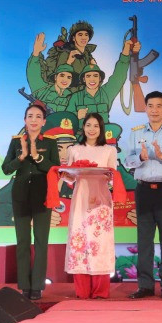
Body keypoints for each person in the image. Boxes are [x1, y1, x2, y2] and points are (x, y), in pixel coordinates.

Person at [125, 91, 162, 299]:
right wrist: (141, 158)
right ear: (146, 108)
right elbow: (128, 161)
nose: (154, 110)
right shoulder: (136, 133)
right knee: (144, 240)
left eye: (159, 106)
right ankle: (145, 285)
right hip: (144, 190)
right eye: (150, 106)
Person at [2, 104, 60, 300]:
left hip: (43, 195)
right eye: (30, 116)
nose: (33, 120)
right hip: (20, 194)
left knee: (41, 241)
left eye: (38, 116)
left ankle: (37, 286)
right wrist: (21, 157)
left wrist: (37, 156)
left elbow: (55, 169)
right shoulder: (16, 142)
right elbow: (6, 168)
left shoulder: (50, 143)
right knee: (23, 241)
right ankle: (24, 286)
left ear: (44, 121)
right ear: (25, 120)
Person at [63, 113, 118, 299]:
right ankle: (82, 290)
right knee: (80, 239)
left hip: (101, 199)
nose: (92, 129)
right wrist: (65, 175)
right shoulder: (74, 149)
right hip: (80, 198)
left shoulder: (109, 150)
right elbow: (71, 178)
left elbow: (113, 176)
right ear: (83, 128)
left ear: (101, 129)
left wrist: (108, 176)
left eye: (96, 126)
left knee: (100, 242)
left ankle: (100, 290)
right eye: (88, 125)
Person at [66, 39, 140, 126]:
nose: (92, 79)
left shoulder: (107, 92)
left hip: (103, 133)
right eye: (88, 76)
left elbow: (119, 74)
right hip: (81, 134)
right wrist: (76, 115)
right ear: (84, 79)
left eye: (95, 76)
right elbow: (65, 120)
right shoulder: (76, 97)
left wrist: (126, 49)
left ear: (100, 78)